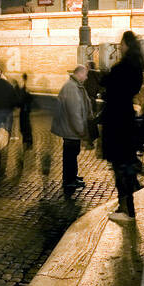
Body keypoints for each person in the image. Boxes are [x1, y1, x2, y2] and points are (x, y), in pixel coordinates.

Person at [99, 31, 144, 220]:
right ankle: (127, 204)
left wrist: (105, 79)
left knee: (119, 164)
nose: (120, 46)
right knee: (124, 161)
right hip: (126, 117)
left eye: (122, 44)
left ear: (127, 44)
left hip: (116, 119)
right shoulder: (137, 68)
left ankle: (126, 209)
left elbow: (109, 87)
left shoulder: (122, 68)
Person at [48, 62, 93, 198]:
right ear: (79, 74)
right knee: (70, 156)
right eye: (85, 75)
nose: (86, 78)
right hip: (71, 129)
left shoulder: (75, 86)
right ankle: (69, 181)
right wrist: (81, 130)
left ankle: (73, 177)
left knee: (73, 154)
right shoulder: (71, 88)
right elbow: (74, 112)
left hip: (71, 129)